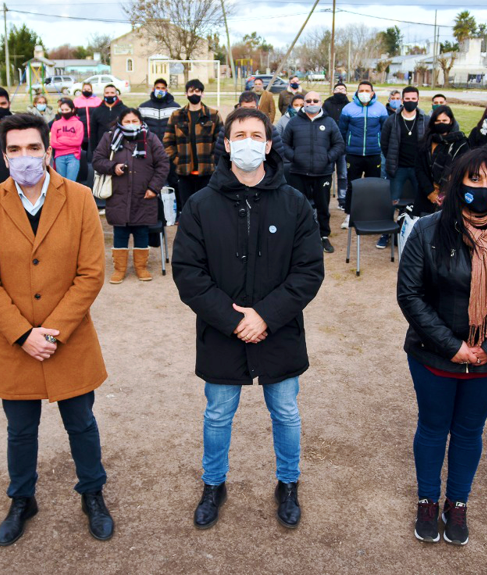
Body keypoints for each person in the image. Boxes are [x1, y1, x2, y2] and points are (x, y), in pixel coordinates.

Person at [172, 107, 325, 531]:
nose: (248, 142)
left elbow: (309, 271)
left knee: (286, 413)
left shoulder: (294, 203)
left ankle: (288, 483)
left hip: (279, 332)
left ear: (269, 144)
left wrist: (267, 317)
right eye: (239, 134)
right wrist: (234, 319)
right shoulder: (201, 204)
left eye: (256, 135)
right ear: (226, 143)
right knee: (218, 414)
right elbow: (188, 272)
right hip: (223, 333)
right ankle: (213, 484)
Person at [0, 112, 114, 545]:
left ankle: (92, 493)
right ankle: (22, 499)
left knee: (81, 424)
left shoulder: (80, 197)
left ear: (48, 150)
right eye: (15, 149)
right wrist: (21, 333)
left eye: (33, 148)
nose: (25, 157)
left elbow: (91, 273)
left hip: (67, 339)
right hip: (16, 343)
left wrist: (51, 332)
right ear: (4, 154)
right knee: (20, 429)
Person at [397, 146, 487, 546]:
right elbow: (410, 296)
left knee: (468, 431)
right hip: (434, 355)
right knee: (432, 427)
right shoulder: (427, 231)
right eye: (474, 179)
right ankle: (428, 498)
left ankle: (457, 503)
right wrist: (452, 346)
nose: (482, 188)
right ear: (457, 181)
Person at [93, 109, 169, 283]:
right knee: (120, 232)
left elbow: (163, 163)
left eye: (134, 120)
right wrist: (113, 167)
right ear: (120, 122)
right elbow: (97, 160)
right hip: (118, 195)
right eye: (127, 121)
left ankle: (141, 268)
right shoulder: (110, 137)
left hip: (144, 195)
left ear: (141, 121)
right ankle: (119, 270)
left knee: (141, 232)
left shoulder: (150, 138)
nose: (131, 124)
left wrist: (154, 188)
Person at [282, 90, 345, 253]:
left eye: (315, 101)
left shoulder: (330, 122)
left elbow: (339, 144)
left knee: (323, 207)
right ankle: (299, 236)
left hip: (322, 173)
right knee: (298, 206)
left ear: (320, 102)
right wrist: (295, 157)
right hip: (298, 172)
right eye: (308, 101)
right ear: (303, 103)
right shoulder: (294, 122)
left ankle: (324, 236)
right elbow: (284, 144)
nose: (311, 104)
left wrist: (327, 158)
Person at [164, 79, 222, 219]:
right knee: (188, 211)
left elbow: (221, 141)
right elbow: (167, 142)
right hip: (185, 173)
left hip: (207, 172)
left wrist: (213, 160)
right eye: (191, 91)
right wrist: (178, 160)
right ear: (186, 94)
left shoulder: (213, 115)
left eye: (197, 91)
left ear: (202, 93)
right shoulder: (176, 116)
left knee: (207, 210)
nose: (194, 94)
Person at [379, 85, 427, 247]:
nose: (410, 102)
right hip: (398, 168)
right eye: (407, 99)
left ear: (418, 100)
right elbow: (384, 144)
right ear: (402, 100)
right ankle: (386, 233)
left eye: (414, 99)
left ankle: (419, 236)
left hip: (418, 169)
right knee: (391, 202)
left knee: (421, 201)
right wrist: (392, 160)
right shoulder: (391, 120)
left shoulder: (424, 119)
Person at [338, 81, 388, 226]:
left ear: (372, 93)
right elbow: (342, 131)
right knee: (352, 185)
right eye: (361, 90)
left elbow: (384, 131)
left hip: (374, 153)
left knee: (374, 185)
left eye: (367, 90)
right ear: (357, 92)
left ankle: (372, 215)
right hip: (354, 154)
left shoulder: (380, 109)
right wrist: (345, 147)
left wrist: (381, 148)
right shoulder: (348, 109)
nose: (364, 93)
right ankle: (349, 215)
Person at [413, 105, 469, 217]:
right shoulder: (426, 142)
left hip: (450, 196)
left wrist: (445, 193)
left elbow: (462, 170)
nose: (441, 123)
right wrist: (430, 193)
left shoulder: (461, 144)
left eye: (444, 120)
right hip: (426, 195)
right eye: (438, 121)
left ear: (451, 121)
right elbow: (419, 169)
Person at [324, 82, 350, 211]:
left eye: (343, 89)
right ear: (333, 90)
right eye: (338, 88)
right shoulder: (327, 104)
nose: (340, 90)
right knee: (328, 172)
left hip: (344, 146)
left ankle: (342, 199)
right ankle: (325, 198)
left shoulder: (349, 106)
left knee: (343, 174)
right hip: (329, 145)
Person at [90, 85, 129, 162]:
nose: (109, 95)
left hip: (120, 147)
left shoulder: (124, 110)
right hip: (102, 148)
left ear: (116, 94)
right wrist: (94, 150)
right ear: (104, 94)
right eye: (107, 93)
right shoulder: (97, 111)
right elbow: (93, 132)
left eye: (112, 92)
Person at [50, 97, 84, 182]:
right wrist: (69, 141)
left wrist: (61, 139)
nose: (64, 112)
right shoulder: (56, 124)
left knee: (71, 183)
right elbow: (53, 143)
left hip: (73, 156)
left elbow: (78, 141)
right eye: (62, 110)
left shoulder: (78, 124)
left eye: (66, 109)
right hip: (59, 157)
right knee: (61, 182)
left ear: (72, 110)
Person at [139, 78, 181, 143]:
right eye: (158, 88)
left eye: (163, 88)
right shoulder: (143, 107)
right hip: (150, 145)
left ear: (166, 90)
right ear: (153, 89)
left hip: (168, 145)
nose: (160, 90)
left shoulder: (175, 107)